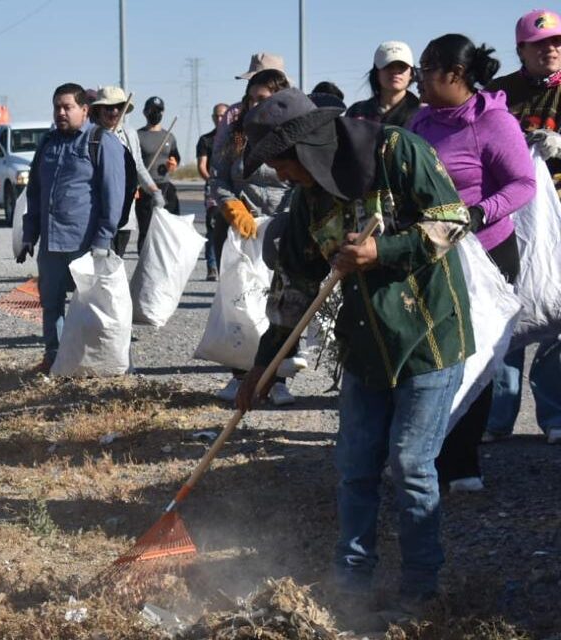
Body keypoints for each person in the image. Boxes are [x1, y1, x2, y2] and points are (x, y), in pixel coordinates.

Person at [236, 88, 472, 616]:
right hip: (365, 344)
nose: (281, 177)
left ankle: (420, 590)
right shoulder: (308, 201)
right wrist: (263, 367)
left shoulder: (398, 152)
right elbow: (295, 286)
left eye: (281, 165)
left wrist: (381, 250)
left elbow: (454, 220)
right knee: (356, 465)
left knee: (411, 464)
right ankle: (351, 582)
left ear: (307, 150)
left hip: (427, 337)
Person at [410, 35, 535, 491]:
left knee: (475, 352)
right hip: (433, 250)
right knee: (434, 353)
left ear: (455, 75)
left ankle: (463, 462)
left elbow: (523, 183)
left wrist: (479, 213)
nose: (420, 77)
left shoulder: (494, 121)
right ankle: (427, 451)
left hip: (486, 253)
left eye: (426, 68)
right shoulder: (421, 122)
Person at [485, 8, 561, 446]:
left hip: (558, 220)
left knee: (555, 310)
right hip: (511, 216)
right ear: (522, 50)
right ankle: (497, 415)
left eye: (556, 42)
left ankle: (553, 413)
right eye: (540, 44)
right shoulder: (499, 93)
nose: (550, 49)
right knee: (509, 308)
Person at [19, 83, 125, 372]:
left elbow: (113, 195)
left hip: (85, 245)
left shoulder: (102, 142)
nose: (61, 112)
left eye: (68, 107)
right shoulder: (47, 143)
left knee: (92, 309)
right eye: (57, 107)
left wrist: (103, 239)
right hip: (51, 243)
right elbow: (35, 192)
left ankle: (94, 364)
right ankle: (55, 360)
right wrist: (29, 234)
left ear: (85, 110)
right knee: (51, 304)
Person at [209, 69, 299, 407]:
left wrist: (289, 217)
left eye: (264, 99)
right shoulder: (235, 135)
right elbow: (218, 177)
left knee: (278, 303)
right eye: (252, 99)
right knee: (240, 300)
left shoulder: (292, 133)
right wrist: (230, 205)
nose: (257, 105)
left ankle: (278, 378)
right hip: (241, 229)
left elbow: (302, 182)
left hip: (280, 228)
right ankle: (239, 373)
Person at [89, 86, 161, 257]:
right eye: (108, 107)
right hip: (97, 212)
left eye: (119, 107)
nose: (114, 111)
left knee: (116, 260)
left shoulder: (130, 133)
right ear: (98, 109)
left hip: (124, 212)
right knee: (99, 264)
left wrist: (154, 190)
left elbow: (138, 167)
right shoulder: (90, 136)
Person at [135, 96, 182, 251]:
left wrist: (173, 166)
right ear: (144, 112)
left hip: (166, 187)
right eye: (152, 110)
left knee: (169, 229)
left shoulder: (169, 136)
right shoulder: (137, 136)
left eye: (158, 110)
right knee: (146, 230)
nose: (155, 113)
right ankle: (145, 262)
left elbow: (176, 159)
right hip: (146, 189)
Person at [346, 42, 422, 127]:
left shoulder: (422, 113)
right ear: (376, 72)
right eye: (388, 66)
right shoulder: (357, 111)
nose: (395, 71)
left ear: (411, 74)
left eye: (402, 66)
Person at [199, 103, 230, 279]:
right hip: (213, 190)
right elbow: (202, 166)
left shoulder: (236, 137)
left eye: (223, 116)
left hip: (233, 190)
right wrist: (212, 183)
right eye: (216, 116)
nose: (219, 119)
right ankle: (212, 266)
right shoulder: (206, 140)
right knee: (213, 227)